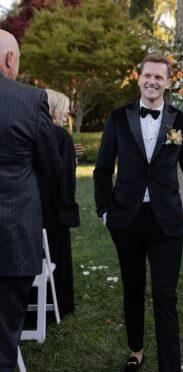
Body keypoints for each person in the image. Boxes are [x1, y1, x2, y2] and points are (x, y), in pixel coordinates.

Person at [93, 53, 183, 372]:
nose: (152, 81)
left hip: (166, 223)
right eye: (148, 75)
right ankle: (137, 350)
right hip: (127, 220)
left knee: (164, 294)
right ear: (139, 78)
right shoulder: (118, 118)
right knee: (133, 289)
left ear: (168, 83)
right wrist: (105, 211)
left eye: (159, 77)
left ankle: (169, 365)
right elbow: (102, 169)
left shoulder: (181, 122)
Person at [0, 29, 61, 370]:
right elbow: (51, 166)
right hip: (13, 238)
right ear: (10, 59)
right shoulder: (30, 99)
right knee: (6, 337)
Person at [37, 89, 80, 317]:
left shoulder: (29, 131)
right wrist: (68, 207)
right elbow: (66, 179)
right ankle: (58, 303)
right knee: (56, 252)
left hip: (31, 204)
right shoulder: (61, 136)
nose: (68, 113)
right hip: (54, 206)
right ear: (54, 108)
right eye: (65, 108)